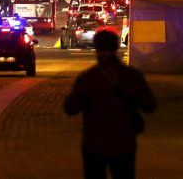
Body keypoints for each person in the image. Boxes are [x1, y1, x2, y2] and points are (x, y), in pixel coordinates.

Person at [64, 30, 156, 179]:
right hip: (124, 142)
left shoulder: (88, 78)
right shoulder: (132, 76)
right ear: (117, 46)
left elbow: (70, 108)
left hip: (94, 142)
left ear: (96, 47)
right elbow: (150, 106)